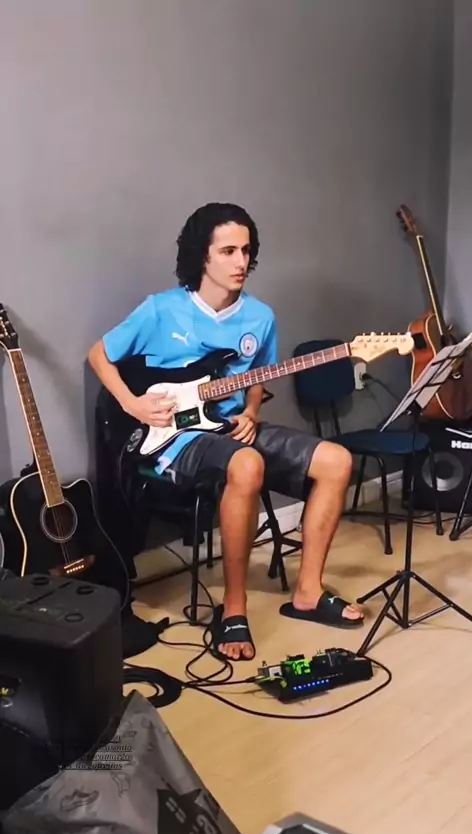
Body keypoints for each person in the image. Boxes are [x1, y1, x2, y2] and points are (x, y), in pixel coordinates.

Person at [88, 202, 364, 661]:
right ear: (203, 255)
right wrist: (132, 403)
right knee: (247, 463)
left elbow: (256, 377)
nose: (241, 262)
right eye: (228, 251)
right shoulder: (161, 310)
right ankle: (234, 608)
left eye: (246, 251)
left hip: (232, 427)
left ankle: (308, 592)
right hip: (177, 438)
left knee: (337, 460)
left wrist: (252, 410)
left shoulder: (260, 317)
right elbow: (99, 354)